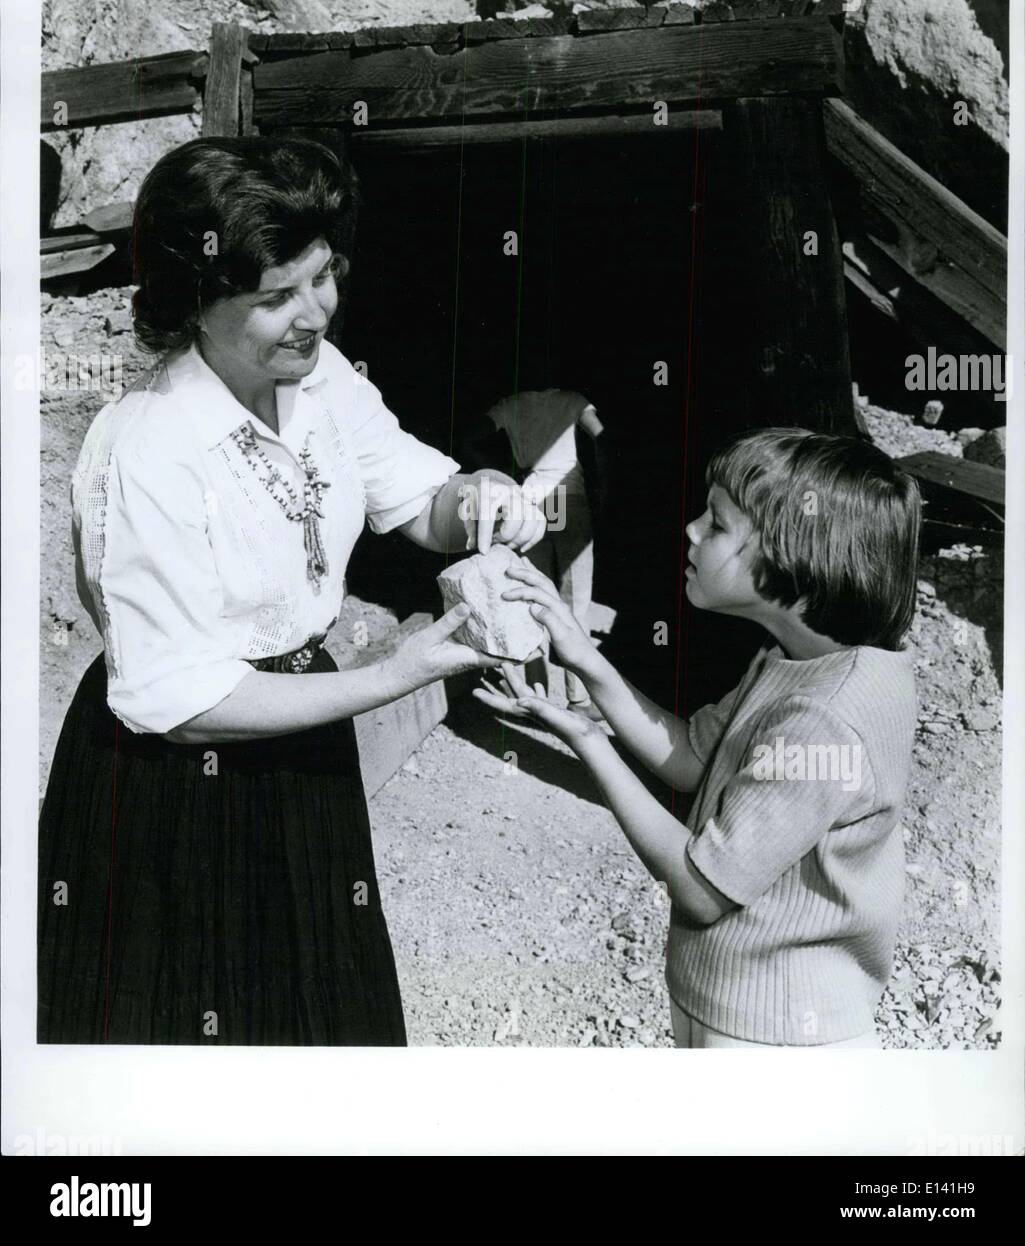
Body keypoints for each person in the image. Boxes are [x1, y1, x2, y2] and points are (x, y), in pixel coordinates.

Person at [37, 135, 545, 1046]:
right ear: (199, 298)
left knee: (315, 1009)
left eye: (322, 276)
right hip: (170, 786)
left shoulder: (321, 382)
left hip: (300, 740)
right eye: (276, 296)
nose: (316, 311)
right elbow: (185, 704)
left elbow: (418, 501)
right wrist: (406, 668)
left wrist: (484, 504)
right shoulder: (149, 448)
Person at [477, 428, 921, 1048]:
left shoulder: (826, 717)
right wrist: (585, 658)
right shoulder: (804, 662)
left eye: (716, 525)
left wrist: (589, 741)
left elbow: (700, 887)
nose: (689, 530)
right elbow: (693, 757)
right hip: (742, 1010)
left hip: (775, 1036)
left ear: (794, 559)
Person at [483, 388, 605, 718]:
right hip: (570, 497)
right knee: (575, 602)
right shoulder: (574, 401)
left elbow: (472, 435)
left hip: (530, 500)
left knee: (531, 597)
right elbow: (600, 434)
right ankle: (578, 701)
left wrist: (502, 473)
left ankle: (535, 695)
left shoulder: (510, 402)